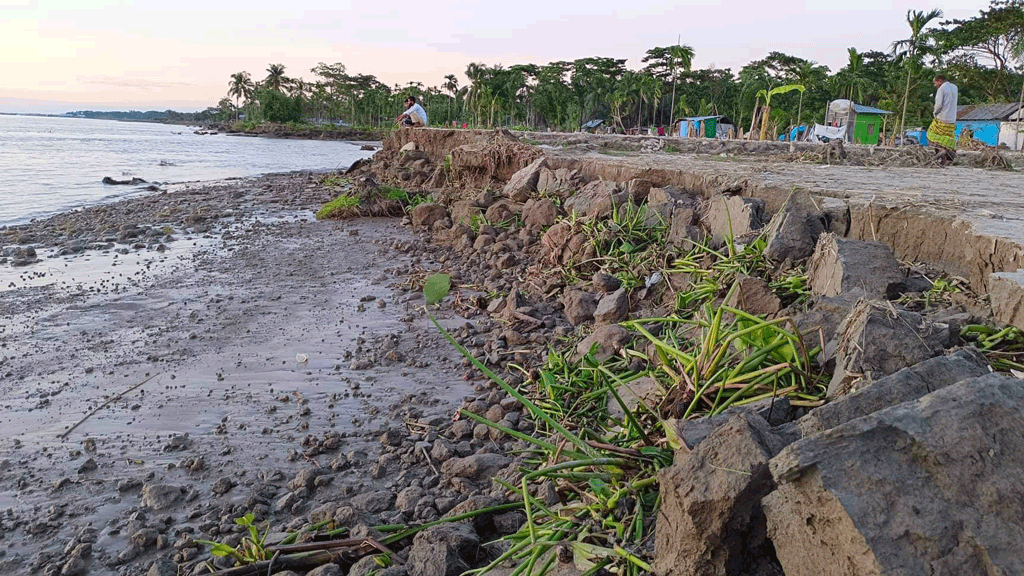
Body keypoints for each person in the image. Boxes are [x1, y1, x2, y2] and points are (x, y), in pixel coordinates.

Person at [926, 74, 958, 165]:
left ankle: (942, 152)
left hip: (942, 117)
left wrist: (934, 113)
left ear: (940, 81)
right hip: (952, 119)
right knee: (947, 138)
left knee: (931, 135)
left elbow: (939, 105)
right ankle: (948, 158)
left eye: (935, 83)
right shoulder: (955, 87)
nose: (934, 85)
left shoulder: (941, 89)